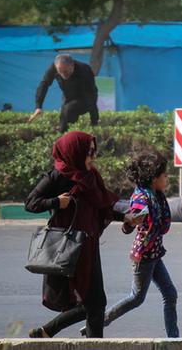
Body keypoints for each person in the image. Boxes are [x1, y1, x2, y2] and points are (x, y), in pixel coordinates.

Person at [25, 131, 134, 338]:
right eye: (89, 152)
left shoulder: (91, 177)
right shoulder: (57, 177)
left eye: (94, 151)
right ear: (75, 152)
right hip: (66, 247)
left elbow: (101, 206)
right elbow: (30, 203)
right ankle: (88, 346)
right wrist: (56, 202)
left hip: (88, 246)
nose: (93, 157)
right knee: (93, 303)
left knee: (94, 303)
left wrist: (125, 217)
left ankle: (51, 332)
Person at [84, 151, 179, 338]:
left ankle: (174, 338)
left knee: (170, 294)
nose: (167, 177)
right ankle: (98, 323)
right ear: (153, 178)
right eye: (164, 174)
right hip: (143, 256)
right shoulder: (142, 197)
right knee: (136, 298)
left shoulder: (156, 194)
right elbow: (131, 218)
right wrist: (131, 221)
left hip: (155, 253)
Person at [30, 54, 99, 132]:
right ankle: (64, 135)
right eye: (60, 72)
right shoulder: (54, 68)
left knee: (68, 109)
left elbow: (90, 96)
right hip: (68, 96)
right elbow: (44, 84)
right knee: (64, 119)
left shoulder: (84, 70)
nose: (63, 75)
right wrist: (38, 106)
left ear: (72, 65)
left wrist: (94, 121)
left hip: (85, 98)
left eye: (66, 71)